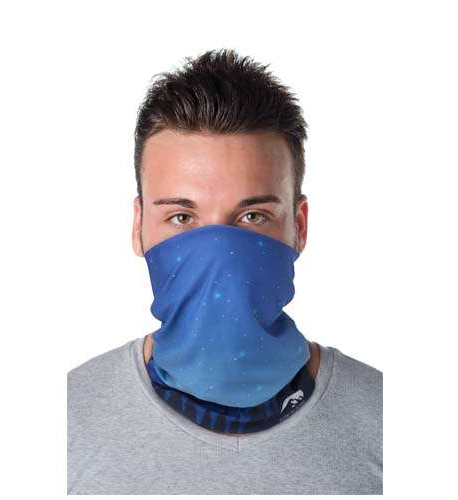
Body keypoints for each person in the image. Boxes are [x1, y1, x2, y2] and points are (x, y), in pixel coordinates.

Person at [67, 48, 383, 495]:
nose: (218, 251)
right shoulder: (66, 418)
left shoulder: (385, 419)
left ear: (300, 226)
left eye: (252, 217)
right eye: (181, 217)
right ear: (138, 227)